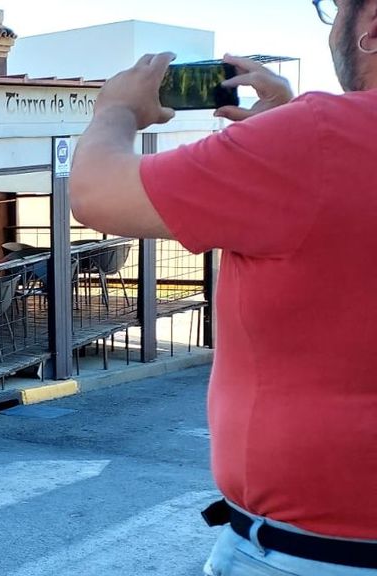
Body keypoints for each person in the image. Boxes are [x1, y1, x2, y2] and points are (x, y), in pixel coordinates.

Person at [69, 3, 377, 573]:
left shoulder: (316, 137)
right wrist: (282, 122)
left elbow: (95, 192)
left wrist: (116, 110)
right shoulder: (309, 140)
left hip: (307, 555)